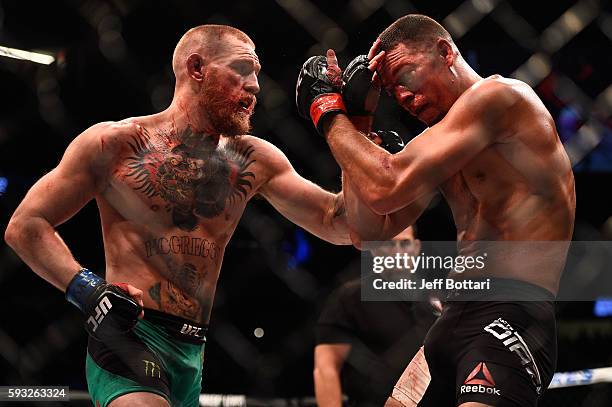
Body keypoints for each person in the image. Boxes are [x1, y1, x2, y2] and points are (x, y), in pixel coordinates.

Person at [2, 25, 366, 407]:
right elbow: (26, 226)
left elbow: (341, 225)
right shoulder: (115, 144)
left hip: (194, 348)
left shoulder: (253, 159)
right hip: (130, 334)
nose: (256, 86)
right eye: (243, 69)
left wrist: (348, 122)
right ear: (196, 68)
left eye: (257, 73)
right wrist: (89, 291)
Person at [296, 14, 575, 407]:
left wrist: (326, 111)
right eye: (392, 91)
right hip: (452, 317)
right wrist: (357, 120)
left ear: (445, 52)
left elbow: (386, 184)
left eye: (406, 77)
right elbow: (367, 230)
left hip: (510, 312)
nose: (404, 96)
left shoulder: (500, 98)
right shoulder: (439, 143)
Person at [314, 226, 439, 407]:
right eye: (388, 244)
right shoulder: (349, 297)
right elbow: (326, 368)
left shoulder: (436, 300)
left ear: (417, 247)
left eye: (404, 244)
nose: (397, 252)